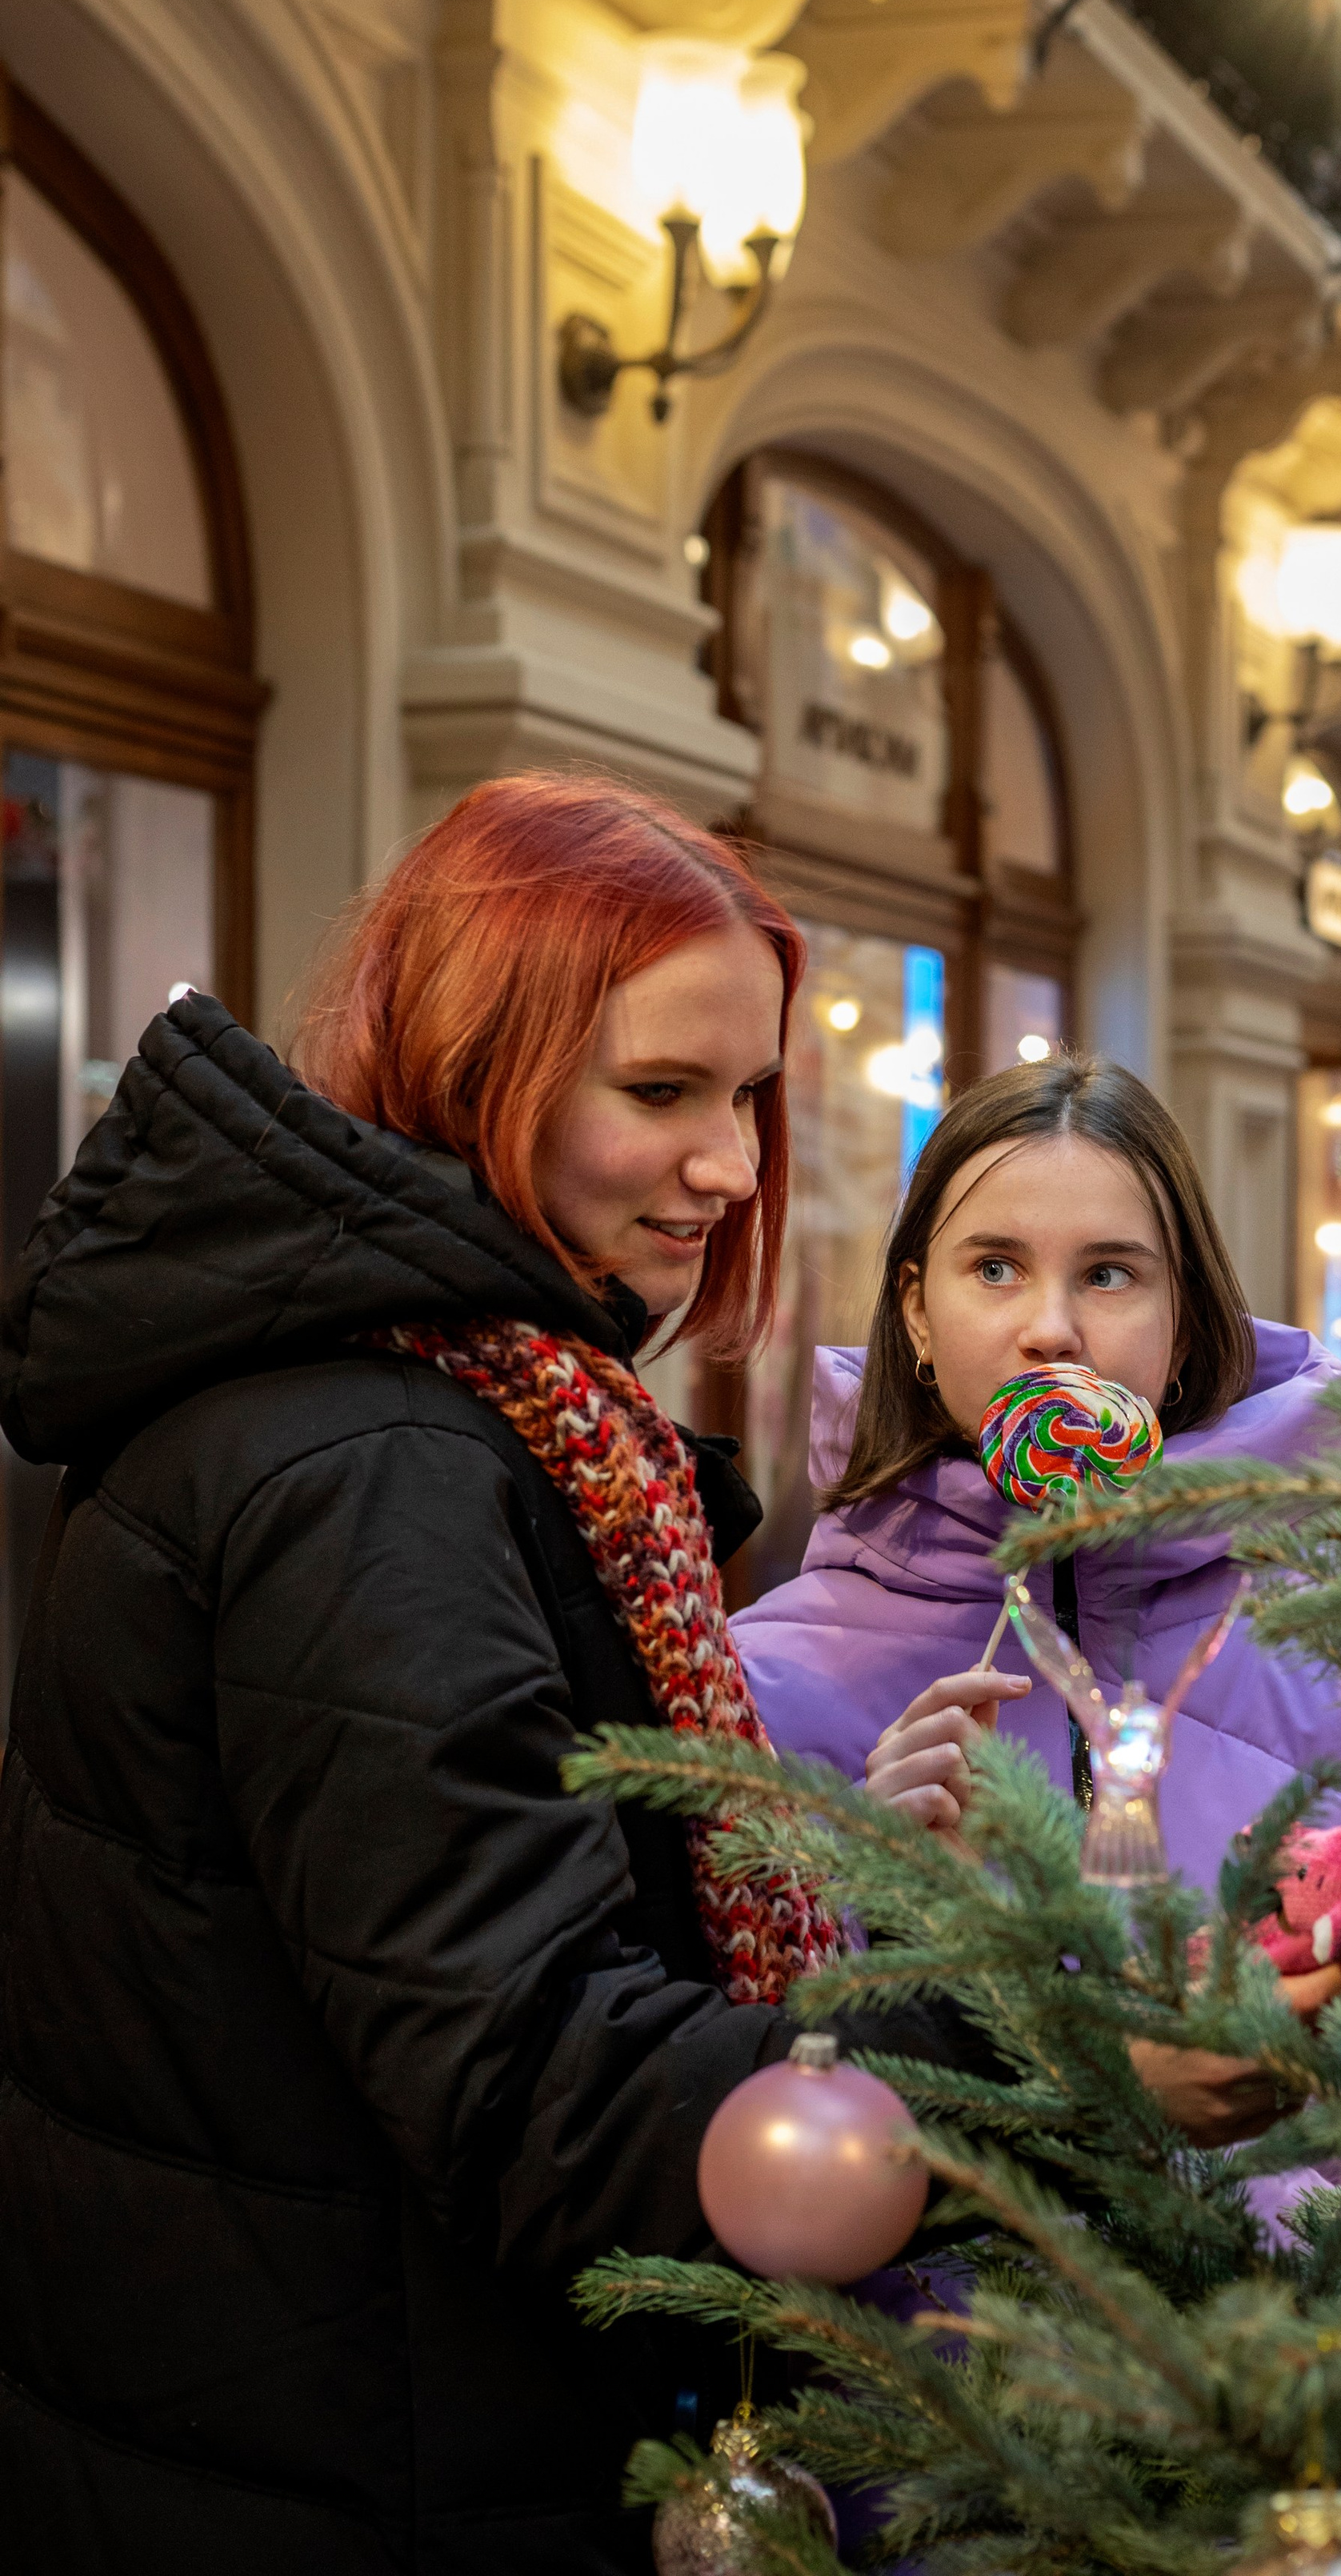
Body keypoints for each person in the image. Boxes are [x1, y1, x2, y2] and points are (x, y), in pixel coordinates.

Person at [0, 776, 967, 2573]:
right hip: (359, 2467)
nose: (734, 1168)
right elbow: (542, 2086)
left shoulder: (453, 1414)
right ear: (467, 1066)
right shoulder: (373, 1466)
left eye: (749, 1095)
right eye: (660, 1093)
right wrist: (1021, 2050)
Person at [733, 1059, 1341, 2013]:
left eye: (1109, 1274)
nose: (1051, 1328)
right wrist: (870, 1901)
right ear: (917, 1310)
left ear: (1182, 1324)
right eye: (995, 1268)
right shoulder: (762, 1681)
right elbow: (750, 2072)